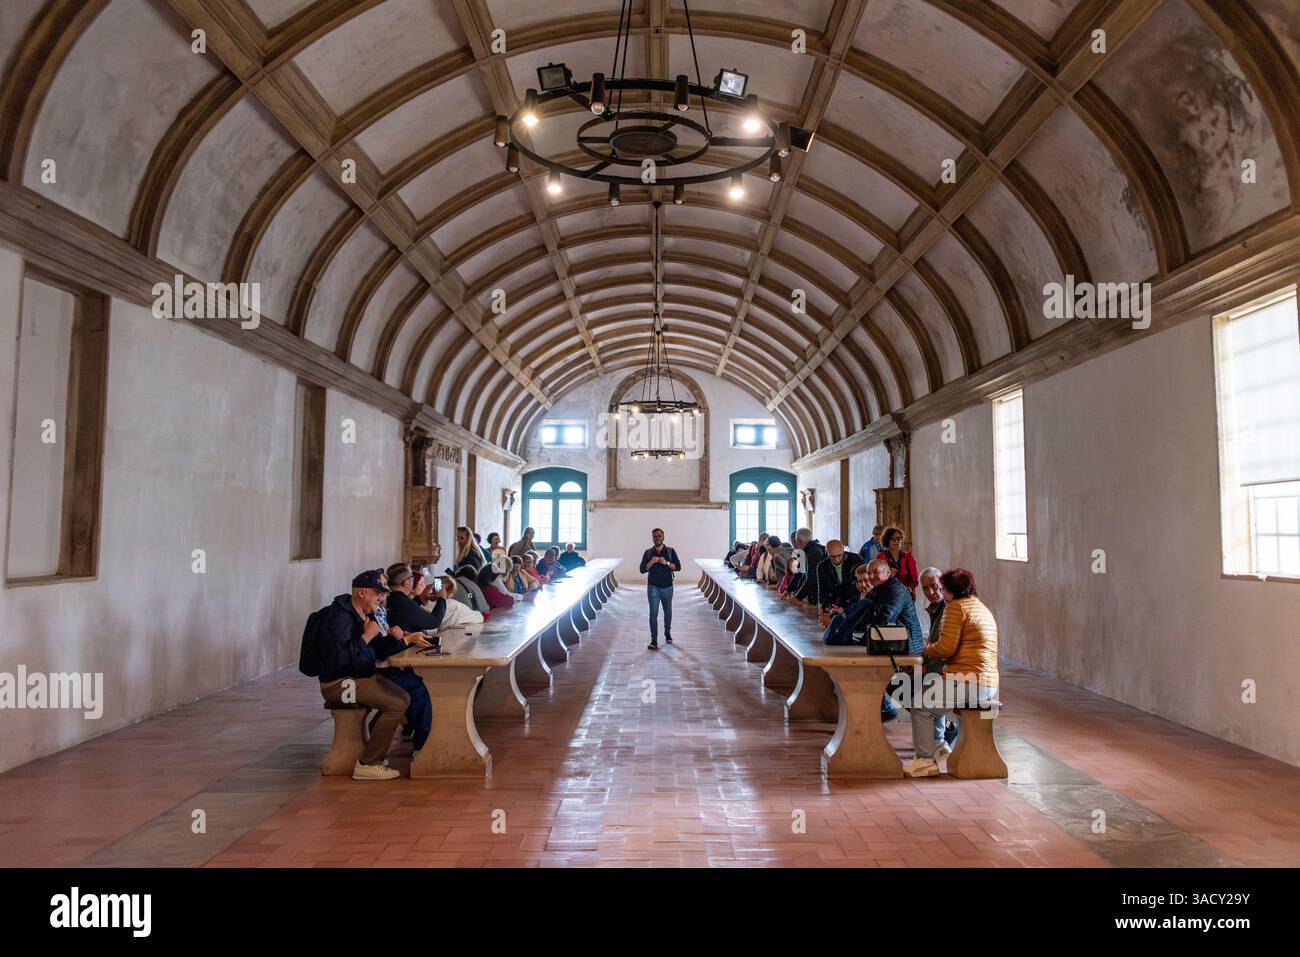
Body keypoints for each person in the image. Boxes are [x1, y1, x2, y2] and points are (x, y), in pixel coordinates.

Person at [311, 570, 413, 780]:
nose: (381, 598)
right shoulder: (337, 619)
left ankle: (374, 749)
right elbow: (341, 661)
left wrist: (397, 639)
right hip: (339, 684)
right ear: (362, 593)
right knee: (395, 704)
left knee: (403, 697)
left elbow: (379, 650)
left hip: (357, 677)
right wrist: (367, 635)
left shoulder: (363, 615)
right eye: (377, 593)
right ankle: (369, 763)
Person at [904, 568, 1000, 778]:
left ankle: (925, 761)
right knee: (929, 694)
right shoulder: (978, 606)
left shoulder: (956, 607)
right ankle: (939, 749)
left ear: (948, 590)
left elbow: (946, 648)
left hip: (969, 681)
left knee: (920, 706)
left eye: (942, 587)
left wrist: (926, 648)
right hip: (986, 682)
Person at [822, 558, 923, 721]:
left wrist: (854, 624)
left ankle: (942, 725)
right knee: (891, 686)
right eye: (869, 572)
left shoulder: (894, 590)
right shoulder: (879, 589)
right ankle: (881, 712)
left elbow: (885, 618)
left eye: (875, 572)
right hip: (890, 644)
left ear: (888, 573)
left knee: (897, 687)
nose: (871, 576)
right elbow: (870, 617)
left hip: (906, 645)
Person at [378, 563, 440, 753]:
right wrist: (442, 600)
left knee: (419, 684)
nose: (381, 596)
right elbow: (433, 621)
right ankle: (424, 745)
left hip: (388, 659)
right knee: (422, 689)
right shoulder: (396, 603)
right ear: (406, 583)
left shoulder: (391, 602)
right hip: (384, 665)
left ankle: (414, 730)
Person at [640, 527, 681, 650]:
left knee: (668, 612)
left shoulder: (670, 551)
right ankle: (654, 640)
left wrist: (667, 563)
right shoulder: (648, 553)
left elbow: (678, 567)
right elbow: (642, 570)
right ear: (652, 538)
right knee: (653, 614)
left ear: (663, 537)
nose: (657, 538)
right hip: (653, 587)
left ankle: (667, 633)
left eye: (659, 536)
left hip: (668, 587)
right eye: (655, 536)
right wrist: (651, 562)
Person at [814, 539, 864, 612]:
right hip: (834, 601)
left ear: (843, 550)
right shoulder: (822, 566)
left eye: (839, 555)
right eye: (832, 556)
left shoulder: (857, 560)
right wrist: (822, 606)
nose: (836, 559)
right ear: (826, 553)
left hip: (854, 599)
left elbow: (863, 585)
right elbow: (822, 590)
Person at [881, 525, 920, 598]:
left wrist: (909, 588)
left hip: (906, 594)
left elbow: (914, 579)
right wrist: (887, 575)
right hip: (887, 594)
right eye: (892, 539)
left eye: (898, 539)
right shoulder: (881, 557)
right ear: (887, 540)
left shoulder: (908, 557)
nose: (896, 541)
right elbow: (877, 577)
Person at [790, 528, 826, 604]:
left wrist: (798, 597)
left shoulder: (813, 552)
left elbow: (812, 579)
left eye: (796, 540)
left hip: (820, 595)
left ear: (798, 540)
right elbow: (799, 574)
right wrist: (788, 589)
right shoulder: (806, 550)